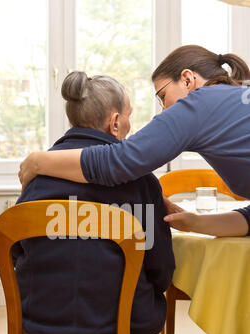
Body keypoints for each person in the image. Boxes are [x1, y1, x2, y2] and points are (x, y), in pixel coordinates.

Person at [12, 71, 175, 334]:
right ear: (115, 121)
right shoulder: (138, 180)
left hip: (41, 318)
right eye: (130, 115)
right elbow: (160, 265)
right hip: (113, 322)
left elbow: (17, 250)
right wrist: (158, 287)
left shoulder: (35, 176)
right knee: (124, 303)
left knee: (68, 293)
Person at [18, 45, 250, 234]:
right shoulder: (234, 101)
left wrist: (38, 161)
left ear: (187, 79)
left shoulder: (200, 103)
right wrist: (195, 223)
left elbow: (119, 161)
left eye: (162, 96)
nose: (163, 111)